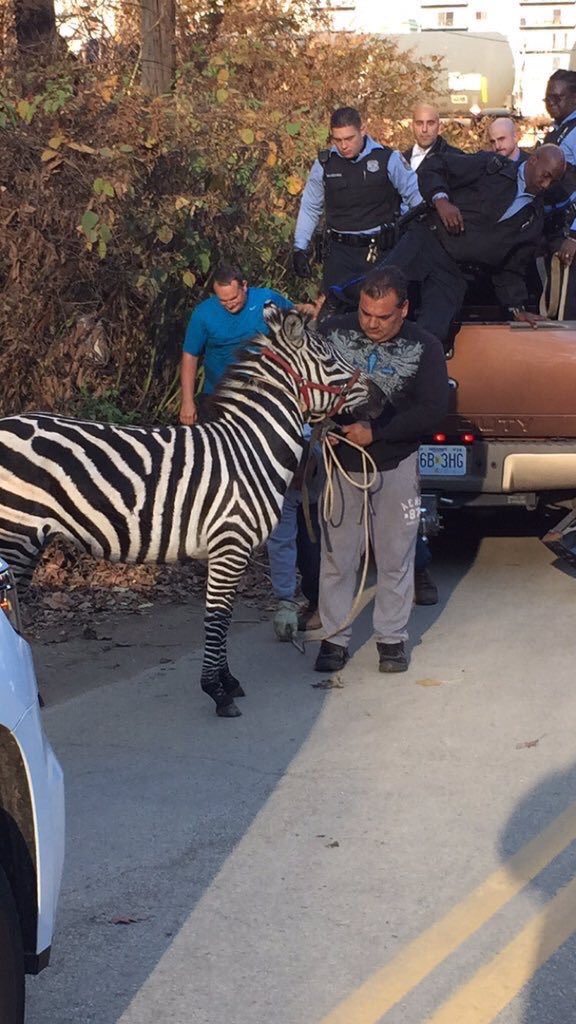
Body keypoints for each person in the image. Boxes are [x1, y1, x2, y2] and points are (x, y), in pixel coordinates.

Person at [314, 266, 450, 675]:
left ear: (403, 309)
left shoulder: (425, 346)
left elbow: (433, 410)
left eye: (382, 316)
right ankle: (333, 639)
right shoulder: (332, 332)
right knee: (338, 557)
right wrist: (320, 422)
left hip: (395, 462)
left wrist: (377, 432)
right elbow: (306, 381)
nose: (372, 323)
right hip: (341, 463)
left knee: (395, 556)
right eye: (365, 313)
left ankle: (391, 640)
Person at [329, 145, 566, 344]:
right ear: (533, 160)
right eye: (545, 175)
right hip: (428, 240)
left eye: (552, 181)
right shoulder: (491, 167)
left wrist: (516, 307)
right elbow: (435, 166)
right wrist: (441, 200)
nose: (546, 184)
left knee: (434, 331)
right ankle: (333, 310)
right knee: (378, 291)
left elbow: (510, 267)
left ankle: (403, 379)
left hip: (456, 271)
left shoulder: (534, 220)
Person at [292, 106, 422, 292]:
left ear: (363, 130)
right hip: (339, 254)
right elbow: (310, 207)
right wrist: (300, 247)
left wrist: (408, 239)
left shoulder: (388, 159)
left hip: (382, 252)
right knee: (336, 316)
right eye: (337, 140)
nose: (344, 146)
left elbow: (416, 200)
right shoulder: (324, 164)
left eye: (349, 138)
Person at [179, 263, 293, 425]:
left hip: (262, 393)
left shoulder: (267, 300)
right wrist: (187, 401)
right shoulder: (203, 314)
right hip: (218, 396)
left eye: (233, 298)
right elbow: (190, 355)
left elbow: (295, 321)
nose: (229, 304)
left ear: (244, 286)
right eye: (223, 301)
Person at [542, 70, 576, 315]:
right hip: (554, 231)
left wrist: (574, 236)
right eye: (548, 99)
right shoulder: (559, 131)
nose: (551, 104)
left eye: (558, 98)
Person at [403, 103, 461, 172]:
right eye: (419, 123)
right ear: (411, 127)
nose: (424, 129)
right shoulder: (400, 161)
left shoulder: (456, 159)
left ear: (440, 127)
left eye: (430, 123)